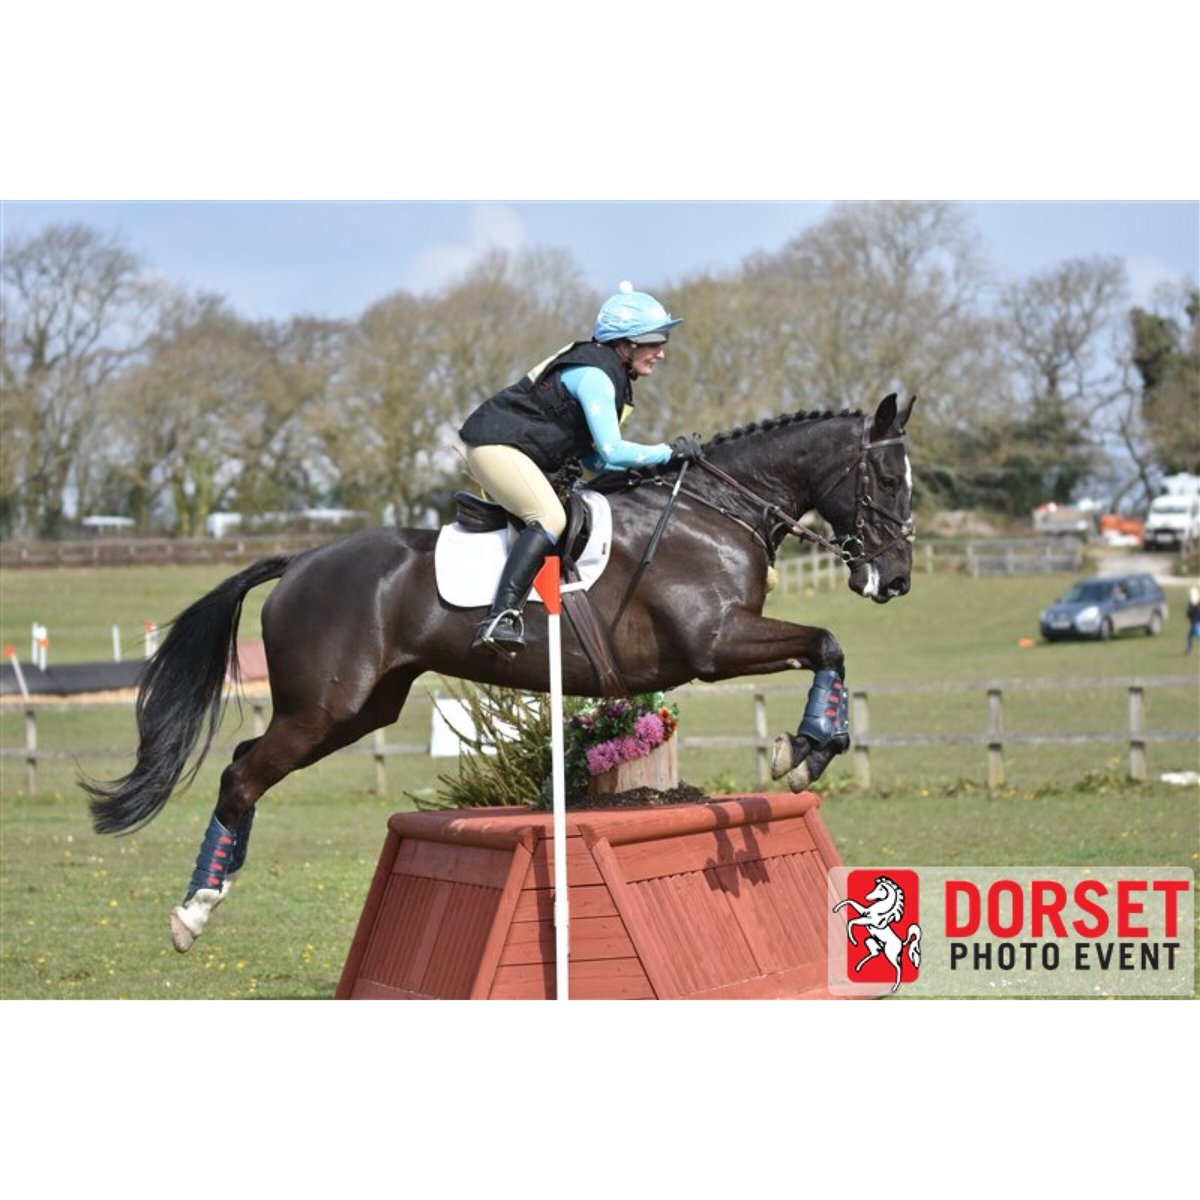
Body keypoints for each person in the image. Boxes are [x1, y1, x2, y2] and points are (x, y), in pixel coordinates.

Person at [458, 283, 702, 656]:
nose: (661, 353)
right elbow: (612, 450)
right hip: (495, 446)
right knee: (549, 517)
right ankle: (500, 615)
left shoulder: (614, 380)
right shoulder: (596, 376)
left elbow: (594, 461)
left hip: (519, 451)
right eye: (653, 343)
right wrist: (666, 452)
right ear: (626, 343)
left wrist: (649, 468)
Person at [1186, 586, 1200, 655]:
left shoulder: (1193, 605)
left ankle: (1188, 651)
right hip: (1194, 623)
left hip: (1195, 624)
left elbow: (1189, 614)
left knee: (1197, 636)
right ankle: (1188, 651)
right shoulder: (1196, 604)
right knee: (1189, 637)